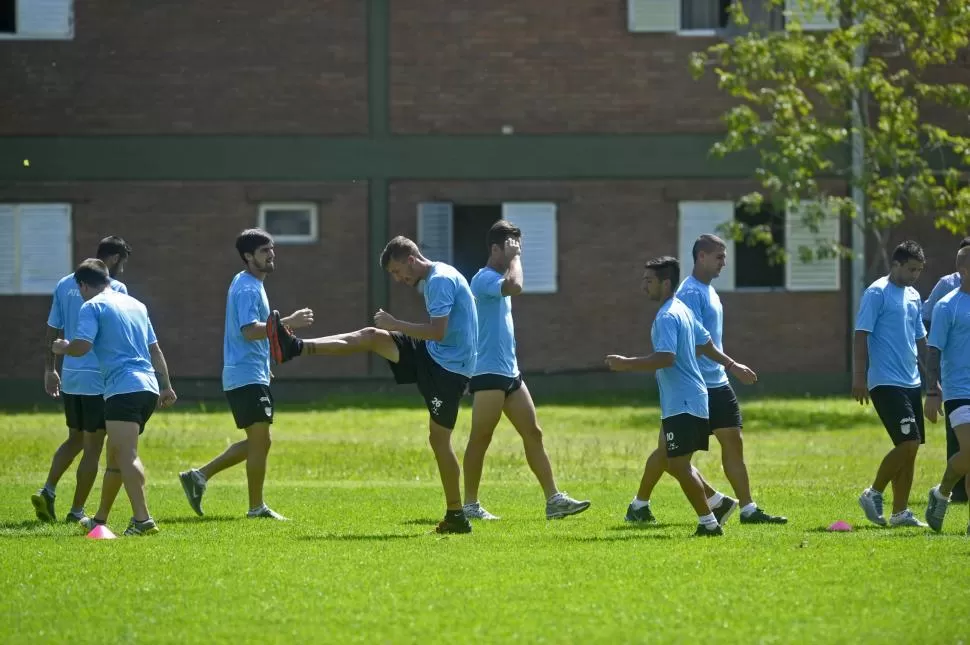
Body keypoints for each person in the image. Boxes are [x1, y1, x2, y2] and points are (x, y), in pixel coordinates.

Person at [265, 235, 478, 534]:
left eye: (396, 271)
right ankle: (294, 346)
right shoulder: (440, 274)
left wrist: (396, 324)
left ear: (411, 260)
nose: (397, 278)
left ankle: (457, 515)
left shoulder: (439, 280)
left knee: (439, 440)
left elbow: (438, 332)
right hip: (434, 357)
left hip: (447, 369)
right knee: (371, 337)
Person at [624, 235, 784, 526]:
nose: (724, 262)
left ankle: (748, 509)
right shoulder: (689, 294)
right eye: (719, 257)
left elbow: (706, 340)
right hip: (695, 386)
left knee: (732, 443)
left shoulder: (710, 292)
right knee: (669, 452)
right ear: (701, 257)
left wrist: (732, 366)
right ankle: (642, 504)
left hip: (718, 382)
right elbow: (688, 342)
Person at [606, 256, 757, 537]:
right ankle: (715, 508)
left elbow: (666, 357)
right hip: (692, 398)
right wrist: (732, 365)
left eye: (648, 281)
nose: (643, 286)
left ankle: (709, 522)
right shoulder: (683, 310)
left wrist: (626, 363)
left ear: (665, 283)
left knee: (677, 464)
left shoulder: (667, 316)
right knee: (677, 462)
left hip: (684, 400)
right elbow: (707, 343)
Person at [178, 229, 314, 521]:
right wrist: (289, 322)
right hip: (245, 375)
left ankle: (199, 476)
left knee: (260, 441)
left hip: (252, 373)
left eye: (272, 249)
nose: (271, 255)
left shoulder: (251, 284)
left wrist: (266, 367)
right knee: (259, 440)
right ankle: (255, 507)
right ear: (248, 257)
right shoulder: (248, 288)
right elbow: (250, 330)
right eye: (265, 251)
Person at [461, 220, 590, 521]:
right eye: (510, 247)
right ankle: (468, 505)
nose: (517, 253)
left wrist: (514, 256)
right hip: (488, 372)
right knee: (481, 437)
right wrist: (515, 259)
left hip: (510, 373)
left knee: (533, 432)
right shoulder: (482, 280)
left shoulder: (497, 278)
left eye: (518, 248)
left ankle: (553, 500)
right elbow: (516, 286)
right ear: (496, 249)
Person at [52, 258, 176, 536]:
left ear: (84, 285)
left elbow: (82, 346)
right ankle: (100, 519)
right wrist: (166, 385)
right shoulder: (136, 305)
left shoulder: (92, 306)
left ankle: (143, 520)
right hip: (147, 388)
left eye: (81, 289)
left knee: (127, 455)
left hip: (123, 388)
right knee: (116, 456)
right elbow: (155, 349)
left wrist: (63, 348)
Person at [32, 236, 132, 524]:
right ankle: (76, 511)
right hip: (99, 379)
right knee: (93, 446)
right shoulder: (117, 290)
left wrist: (50, 369)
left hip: (71, 376)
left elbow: (53, 330)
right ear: (113, 259)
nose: (122, 270)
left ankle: (48, 490)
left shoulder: (65, 283)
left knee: (74, 438)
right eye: (122, 262)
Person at [853, 241, 929, 528]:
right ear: (895, 265)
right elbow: (861, 335)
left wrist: (932, 380)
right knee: (908, 442)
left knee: (910, 447)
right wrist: (859, 377)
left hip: (911, 381)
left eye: (919, 270)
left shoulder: (913, 295)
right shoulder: (877, 293)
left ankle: (900, 513)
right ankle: (873, 493)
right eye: (911, 269)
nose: (914, 275)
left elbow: (919, 338)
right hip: (885, 381)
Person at [924, 245, 970, 534]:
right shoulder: (947, 305)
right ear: (964, 272)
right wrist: (932, 390)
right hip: (959, 390)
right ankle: (942, 492)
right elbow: (933, 351)